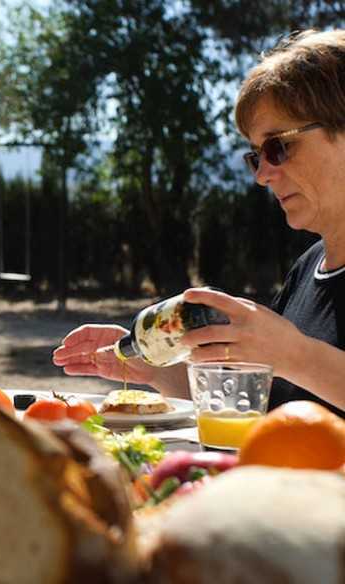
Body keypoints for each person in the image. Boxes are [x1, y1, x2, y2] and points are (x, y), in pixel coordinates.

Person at [53, 29, 345, 416]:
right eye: (256, 155)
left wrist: (295, 354)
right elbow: (264, 405)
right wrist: (155, 366)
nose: (262, 174)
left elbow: (300, 369)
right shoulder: (309, 268)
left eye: (278, 146)